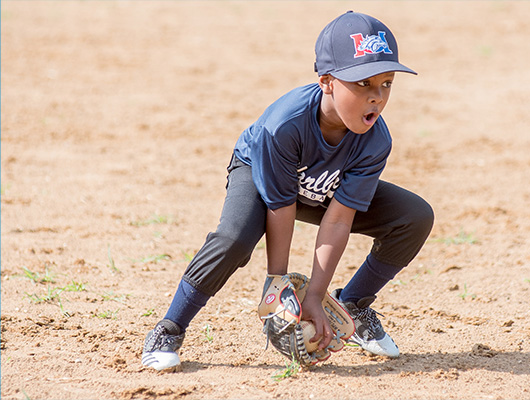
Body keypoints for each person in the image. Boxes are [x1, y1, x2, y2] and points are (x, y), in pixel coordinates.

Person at [142, 10, 434, 372]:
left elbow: (339, 220)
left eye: (386, 83)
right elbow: (279, 206)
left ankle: (352, 306)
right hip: (260, 172)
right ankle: (169, 328)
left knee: (415, 217)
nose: (377, 97)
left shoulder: (375, 141)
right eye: (362, 84)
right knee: (233, 238)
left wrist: (314, 295)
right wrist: (276, 287)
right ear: (327, 81)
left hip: (320, 184)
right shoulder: (284, 125)